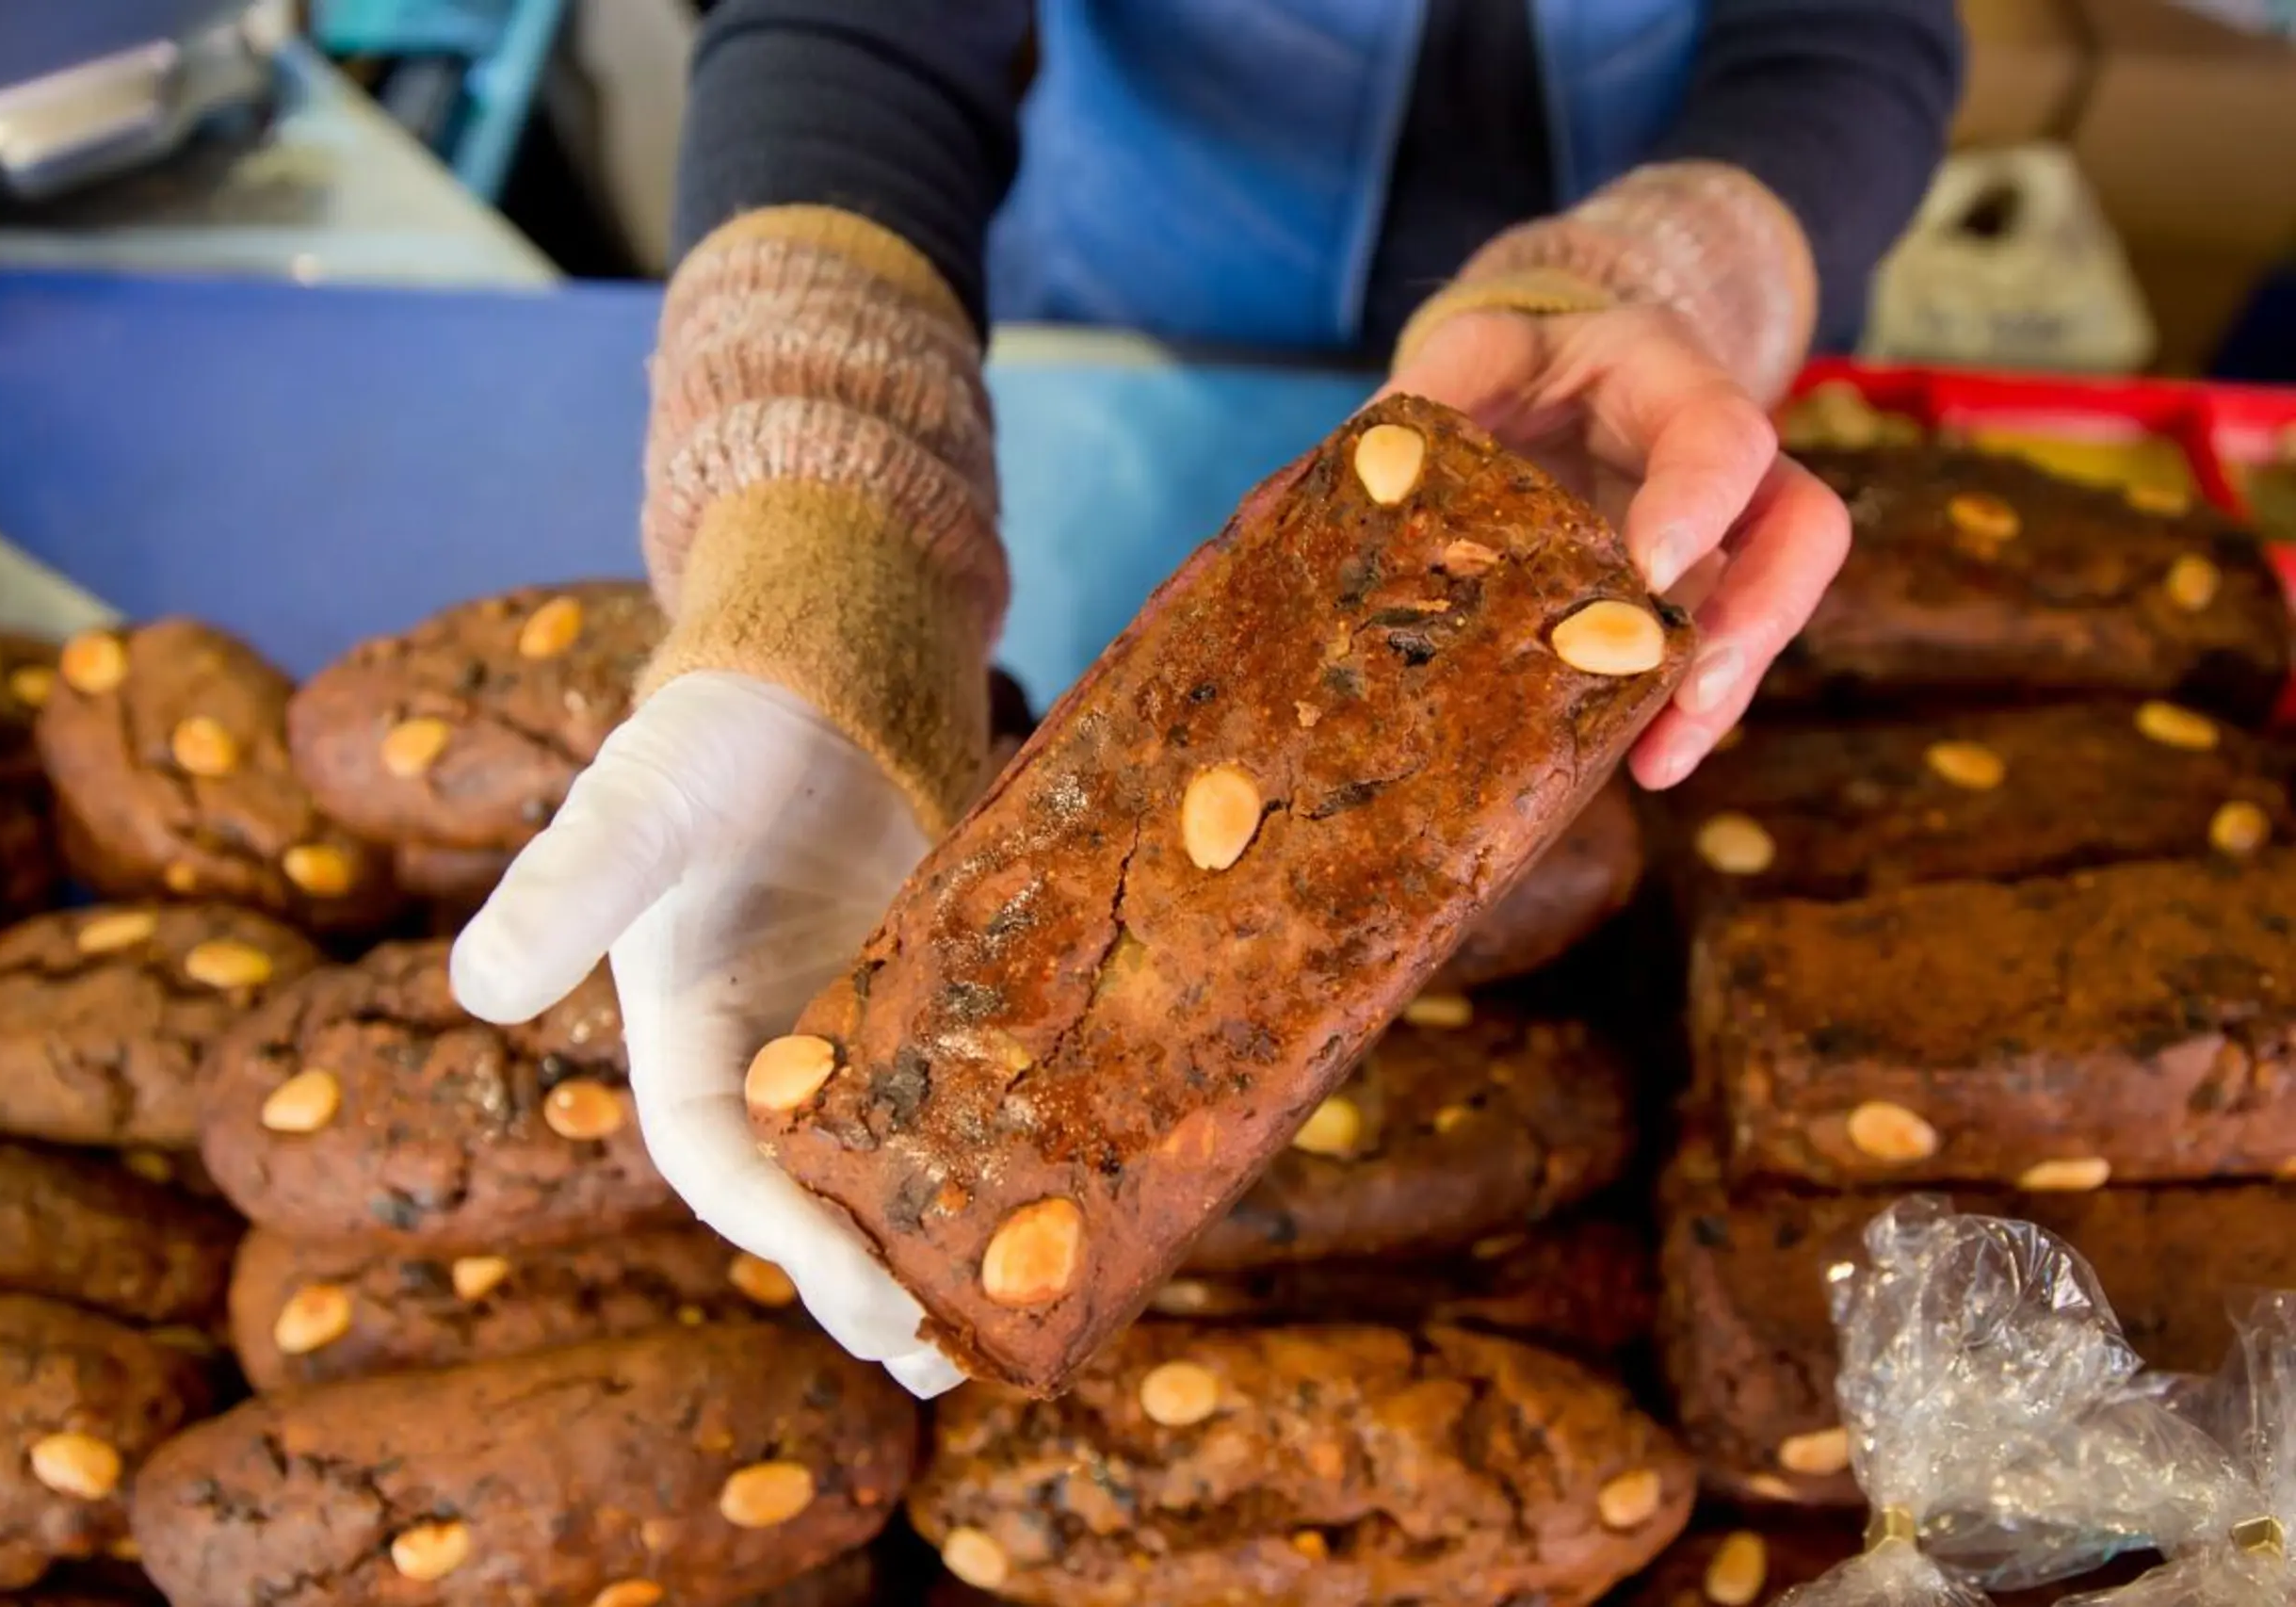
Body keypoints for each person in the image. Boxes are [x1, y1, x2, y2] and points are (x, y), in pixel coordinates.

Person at [452, 1, 1963, 1393]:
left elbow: (1854, 30)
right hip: (1125, 308)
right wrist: (830, 537)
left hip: (1666, 401)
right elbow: (858, 27)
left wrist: (1675, 272)